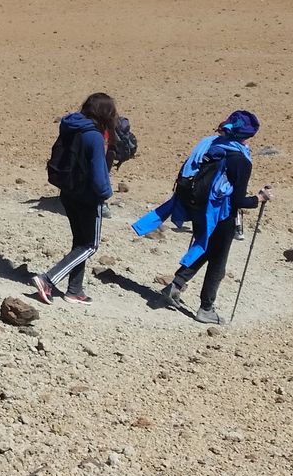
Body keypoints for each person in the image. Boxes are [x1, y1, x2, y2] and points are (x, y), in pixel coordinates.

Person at [132, 111, 273, 325]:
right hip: (221, 215)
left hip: (198, 208)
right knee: (218, 263)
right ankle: (206, 309)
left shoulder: (209, 144)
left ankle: (175, 286)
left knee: (204, 247)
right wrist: (259, 198)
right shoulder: (240, 159)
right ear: (249, 135)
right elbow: (238, 200)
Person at [33, 93, 116, 305]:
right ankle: (48, 279)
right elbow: (99, 174)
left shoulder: (71, 127)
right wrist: (106, 194)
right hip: (88, 197)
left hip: (69, 193)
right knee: (90, 245)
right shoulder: (94, 136)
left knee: (80, 242)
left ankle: (74, 290)